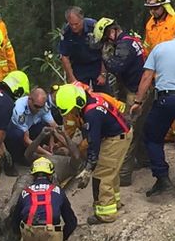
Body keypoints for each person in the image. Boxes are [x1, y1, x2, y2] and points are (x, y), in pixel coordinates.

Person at [55, 84, 132, 224]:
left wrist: (88, 168)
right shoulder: (92, 100)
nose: (72, 112)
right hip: (117, 134)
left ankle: (105, 213)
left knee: (102, 175)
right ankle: (114, 202)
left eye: (73, 109)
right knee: (110, 171)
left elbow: (93, 143)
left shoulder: (92, 114)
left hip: (116, 138)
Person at [130, 26, 175, 203]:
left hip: (165, 100)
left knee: (152, 137)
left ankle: (162, 176)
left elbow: (147, 77)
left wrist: (138, 102)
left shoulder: (160, 48)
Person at [93, 17, 151, 186]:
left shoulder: (124, 45)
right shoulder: (132, 41)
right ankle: (144, 159)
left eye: (105, 40)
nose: (107, 43)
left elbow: (117, 67)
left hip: (136, 92)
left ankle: (124, 175)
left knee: (130, 131)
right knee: (141, 127)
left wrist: (105, 56)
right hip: (139, 88)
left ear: (111, 32)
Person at [11, 157, 77, 241]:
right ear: (51, 175)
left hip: (29, 231)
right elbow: (71, 221)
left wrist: (20, 236)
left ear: (33, 175)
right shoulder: (58, 191)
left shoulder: (25, 192)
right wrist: (60, 239)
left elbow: (15, 220)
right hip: (51, 232)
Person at [144, 0, 175, 142]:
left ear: (163, 6)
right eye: (150, 8)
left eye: (155, 8)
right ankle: (169, 132)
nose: (153, 11)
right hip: (157, 69)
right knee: (162, 102)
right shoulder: (150, 24)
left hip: (174, 67)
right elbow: (148, 47)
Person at [58, 6, 109, 93]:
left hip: (96, 64)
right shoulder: (66, 32)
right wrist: (72, 79)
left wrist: (103, 74)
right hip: (79, 67)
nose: (74, 27)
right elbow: (64, 56)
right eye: (71, 24)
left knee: (104, 94)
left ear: (82, 19)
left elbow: (105, 50)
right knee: (79, 94)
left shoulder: (94, 26)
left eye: (76, 24)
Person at [5, 87, 59, 164]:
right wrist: (48, 154)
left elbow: (55, 127)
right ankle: (17, 158)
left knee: (45, 127)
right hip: (14, 132)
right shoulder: (20, 109)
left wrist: (53, 141)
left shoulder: (42, 106)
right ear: (29, 99)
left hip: (28, 128)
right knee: (18, 135)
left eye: (41, 107)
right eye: (36, 106)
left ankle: (36, 151)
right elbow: (26, 140)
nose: (38, 109)